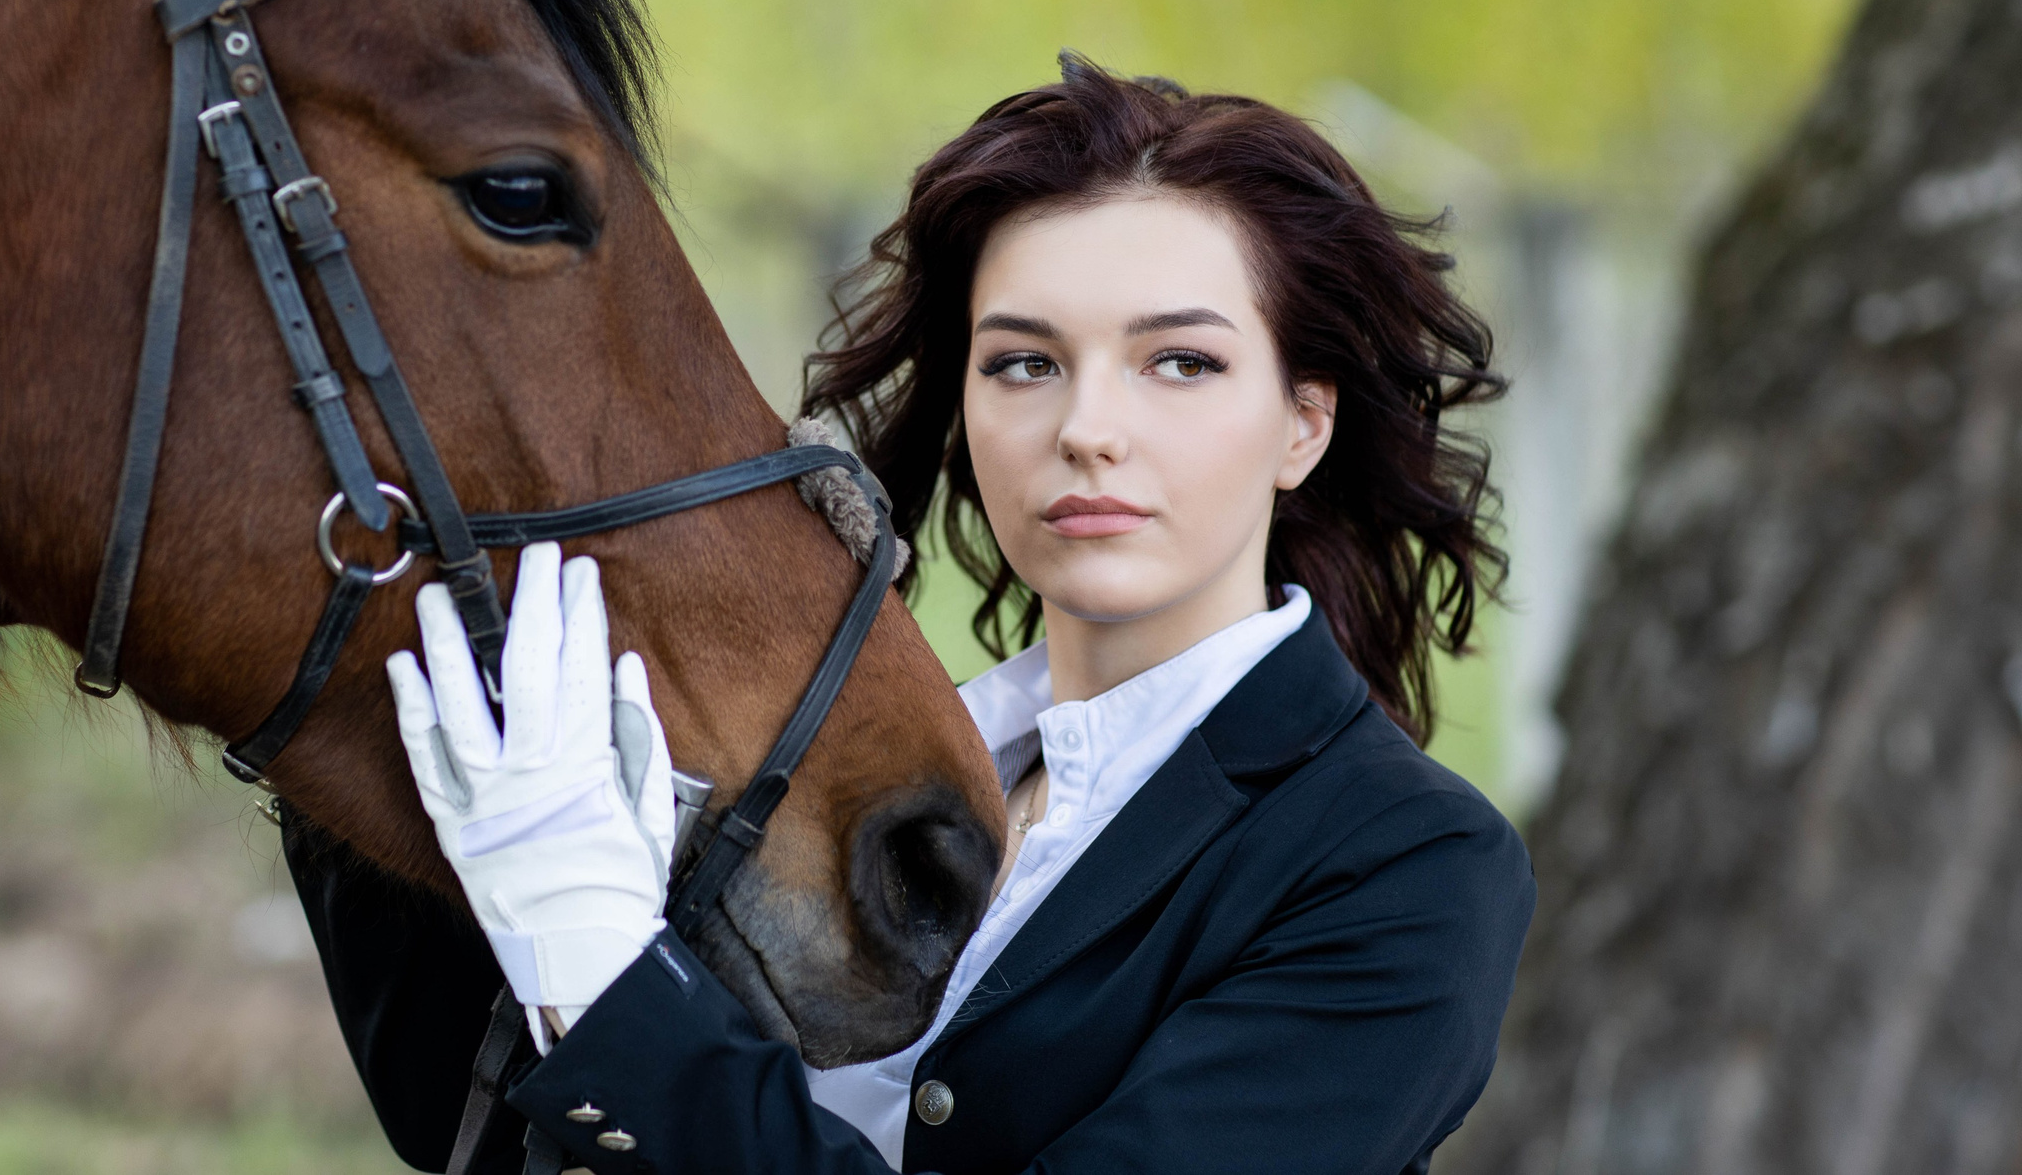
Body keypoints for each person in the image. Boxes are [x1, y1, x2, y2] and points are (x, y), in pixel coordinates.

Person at [284, 57, 1536, 1175]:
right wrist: (389, 752)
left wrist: (609, 977)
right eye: (1023, 363)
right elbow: (463, 1120)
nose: (1086, 428)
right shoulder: (864, 769)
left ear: (1301, 424)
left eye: (1180, 363)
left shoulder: (1406, 869)